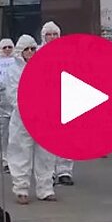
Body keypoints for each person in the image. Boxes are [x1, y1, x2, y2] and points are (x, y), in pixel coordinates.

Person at [5, 34, 56, 204]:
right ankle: (21, 188)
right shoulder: (13, 71)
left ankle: (46, 188)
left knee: (46, 154)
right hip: (22, 119)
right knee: (21, 153)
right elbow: (13, 95)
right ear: (20, 52)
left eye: (32, 49)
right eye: (26, 49)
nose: (30, 52)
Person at [38, 21, 75, 186]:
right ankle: (48, 172)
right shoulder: (37, 53)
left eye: (55, 34)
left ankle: (64, 170)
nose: (52, 37)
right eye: (49, 34)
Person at [0, 37, 16, 174]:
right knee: (1, 134)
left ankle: (15, 160)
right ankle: (5, 160)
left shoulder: (17, 64)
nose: (7, 50)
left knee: (15, 135)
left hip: (13, 105)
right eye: (5, 47)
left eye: (9, 47)